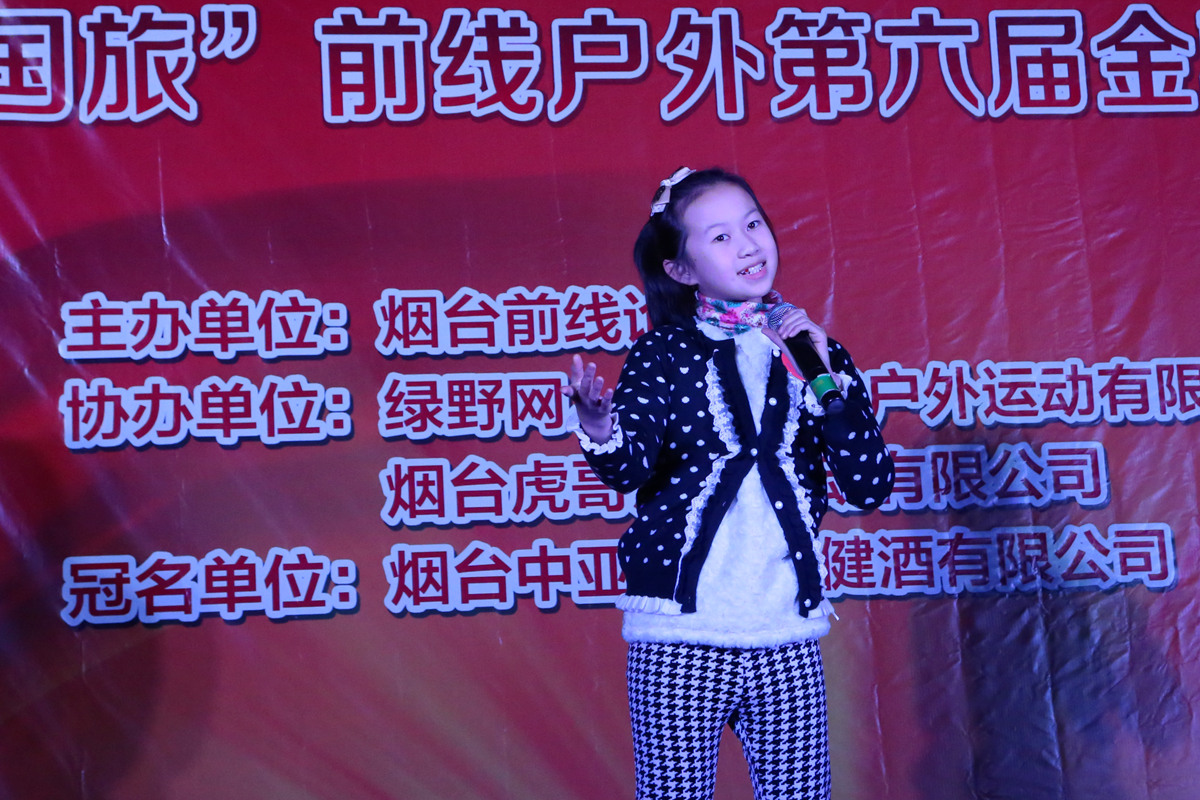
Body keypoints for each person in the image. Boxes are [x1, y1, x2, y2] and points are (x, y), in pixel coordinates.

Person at [564, 167, 895, 800]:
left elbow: (869, 483)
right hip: (680, 637)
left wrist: (825, 381)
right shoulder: (662, 354)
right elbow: (629, 469)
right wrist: (599, 425)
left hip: (784, 634)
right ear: (681, 268)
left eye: (753, 225)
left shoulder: (814, 351)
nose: (748, 246)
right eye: (720, 237)